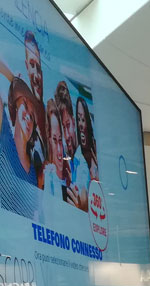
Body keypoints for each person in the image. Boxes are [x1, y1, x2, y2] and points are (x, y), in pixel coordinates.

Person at [0, 47, 43, 217]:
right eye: (24, 105)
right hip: (5, 237)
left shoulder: (34, 169)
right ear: (15, 109)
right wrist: (14, 80)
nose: (28, 115)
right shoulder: (6, 141)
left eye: (32, 116)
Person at [55, 82, 88, 210]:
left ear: (74, 123)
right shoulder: (65, 160)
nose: (66, 135)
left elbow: (83, 194)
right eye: (63, 128)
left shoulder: (82, 160)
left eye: (68, 125)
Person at [42, 99, 72, 202]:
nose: (59, 150)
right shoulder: (45, 176)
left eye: (60, 140)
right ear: (49, 140)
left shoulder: (70, 173)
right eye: (55, 140)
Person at [75, 97, 99, 181]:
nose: (80, 124)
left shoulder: (97, 151)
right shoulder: (77, 156)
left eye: (83, 120)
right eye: (78, 119)